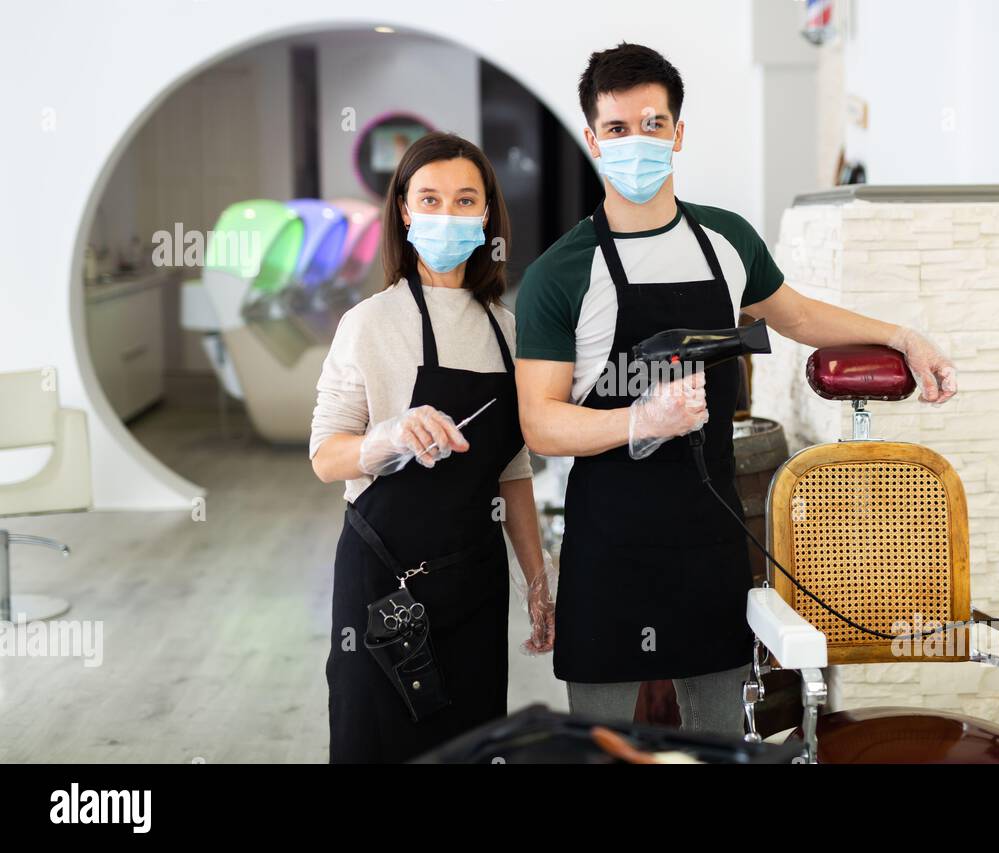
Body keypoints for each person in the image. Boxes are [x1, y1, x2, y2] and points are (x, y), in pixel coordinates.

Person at [513, 43, 957, 736]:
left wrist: (902, 335)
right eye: (619, 128)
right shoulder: (560, 273)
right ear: (594, 139)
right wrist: (641, 420)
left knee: (720, 742)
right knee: (598, 748)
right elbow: (539, 423)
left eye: (653, 124)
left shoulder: (726, 241)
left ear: (679, 134)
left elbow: (802, 316)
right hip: (609, 552)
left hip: (709, 544)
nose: (638, 142)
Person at [311, 132, 555, 763]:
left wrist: (536, 578)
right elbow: (325, 455)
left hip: (474, 583)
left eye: (465, 199)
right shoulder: (368, 323)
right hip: (383, 582)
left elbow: (513, 469)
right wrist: (389, 436)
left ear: (486, 214)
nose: (447, 214)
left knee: (469, 747)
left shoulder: (505, 327)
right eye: (430, 198)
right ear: (405, 209)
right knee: (378, 743)